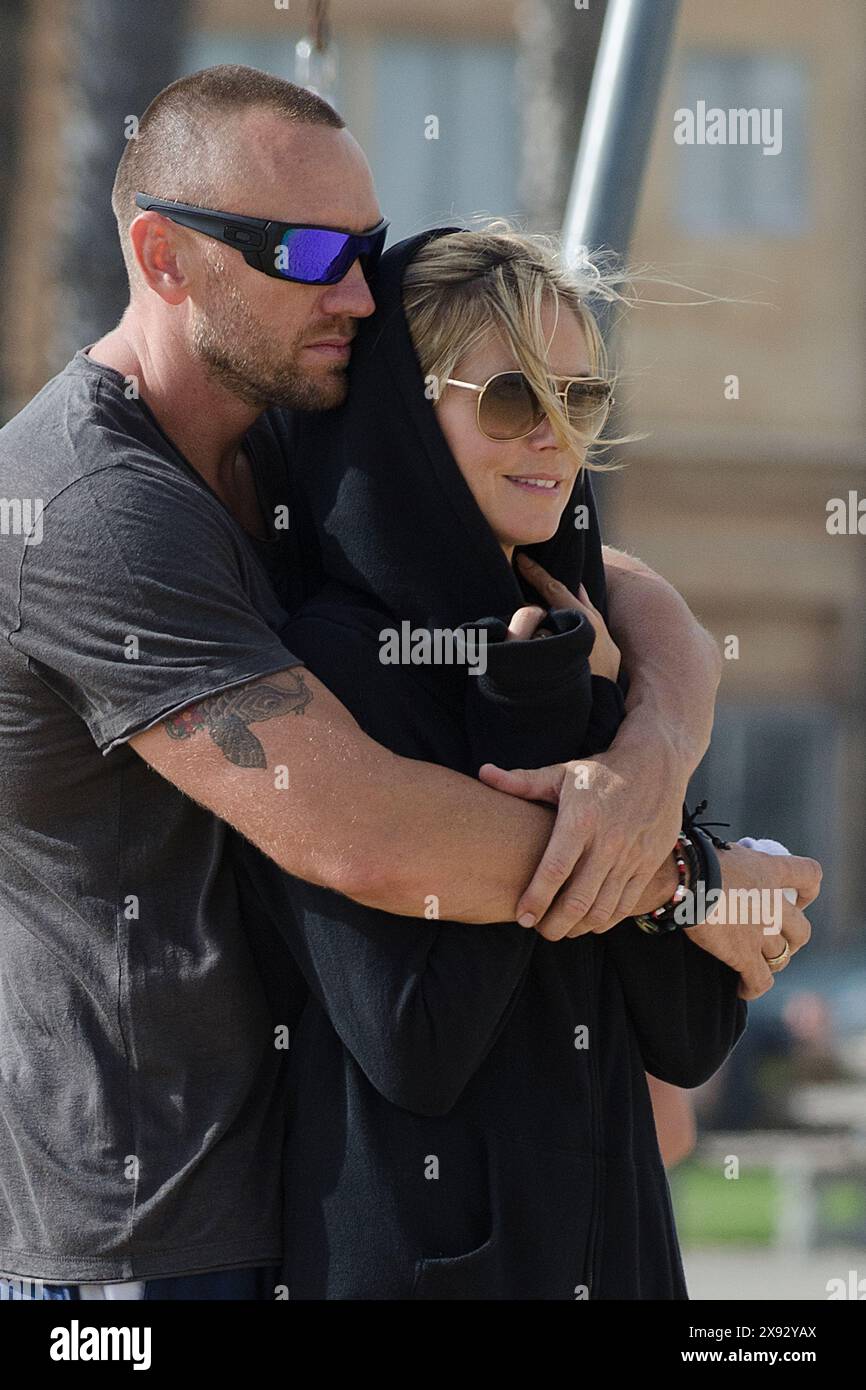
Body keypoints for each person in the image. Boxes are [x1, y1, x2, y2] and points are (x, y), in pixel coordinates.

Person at [0, 64, 820, 1299]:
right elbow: (369, 838)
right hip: (142, 1242)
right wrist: (684, 882)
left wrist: (646, 754)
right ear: (162, 257)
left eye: (366, 244)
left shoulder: (277, 421)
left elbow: (630, 591)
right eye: (307, 248)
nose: (352, 289)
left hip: (292, 1193)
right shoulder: (88, 510)